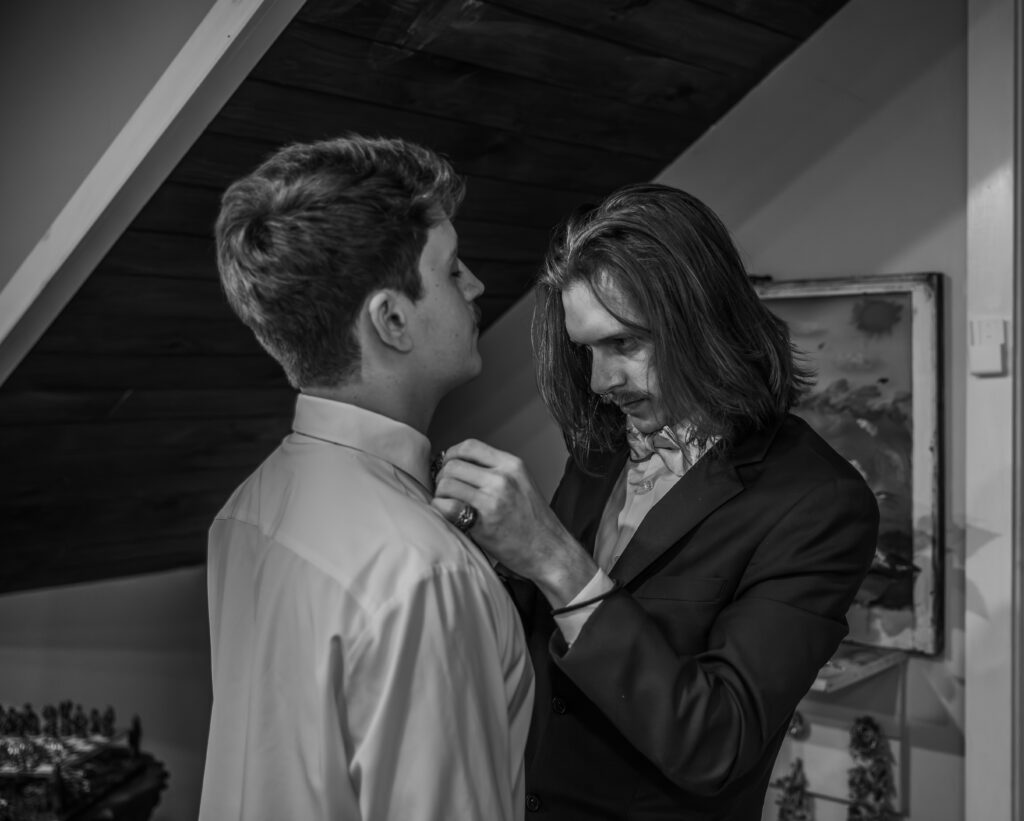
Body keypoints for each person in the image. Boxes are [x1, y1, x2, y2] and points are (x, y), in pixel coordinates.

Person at [432, 183, 879, 820]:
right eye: (587, 349)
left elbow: (716, 744)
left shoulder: (820, 503)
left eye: (624, 344)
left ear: (707, 322)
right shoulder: (603, 449)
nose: (598, 381)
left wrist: (557, 560)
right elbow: (545, 635)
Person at [199, 135, 534, 821]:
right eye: (451, 270)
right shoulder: (422, 574)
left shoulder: (242, 510)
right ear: (391, 319)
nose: (476, 286)